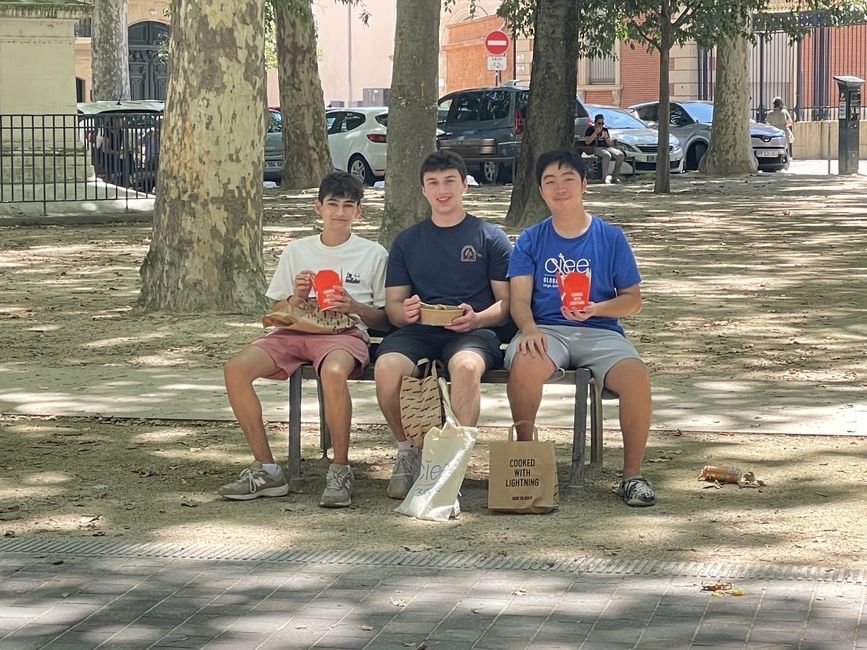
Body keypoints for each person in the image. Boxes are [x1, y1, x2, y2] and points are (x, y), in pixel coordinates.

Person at [219, 171, 389, 508]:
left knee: (334, 373)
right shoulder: (297, 250)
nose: (339, 212)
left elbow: (385, 317)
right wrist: (297, 296)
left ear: (359, 212)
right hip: (295, 330)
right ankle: (267, 469)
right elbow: (278, 308)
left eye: (348, 206)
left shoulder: (373, 254)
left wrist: (352, 304)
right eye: (333, 204)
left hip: (344, 332)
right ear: (318, 208)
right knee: (234, 369)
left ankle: (340, 468)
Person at [505, 148, 655, 507]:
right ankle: (526, 464)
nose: (560, 189)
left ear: (584, 184)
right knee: (525, 363)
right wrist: (528, 330)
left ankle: (632, 475)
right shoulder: (530, 239)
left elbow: (632, 300)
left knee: (635, 376)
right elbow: (519, 300)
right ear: (540, 190)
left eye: (568, 179)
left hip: (601, 331)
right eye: (550, 182)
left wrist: (597, 309)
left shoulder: (610, 237)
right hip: (546, 329)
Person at [374, 151, 512, 499]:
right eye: (433, 183)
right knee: (387, 366)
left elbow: (508, 304)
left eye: (450, 181)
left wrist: (478, 318)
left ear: (465, 185)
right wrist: (403, 313)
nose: (442, 189)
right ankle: (408, 452)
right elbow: (393, 307)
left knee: (465, 367)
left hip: (473, 331)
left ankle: (455, 462)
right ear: (423, 190)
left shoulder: (489, 236)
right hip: (419, 330)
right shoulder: (407, 241)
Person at [583, 113, 625, 184]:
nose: (601, 125)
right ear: (595, 123)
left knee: (620, 155)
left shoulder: (605, 130)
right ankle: (604, 178)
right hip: (595, 147)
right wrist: (595, 133)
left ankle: (614, 177)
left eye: (602, 123)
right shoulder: (590, 129)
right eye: (599, 123)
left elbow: (610, 144)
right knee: (607, 155)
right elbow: (587, 142)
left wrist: (606, 138)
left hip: (606, 147)